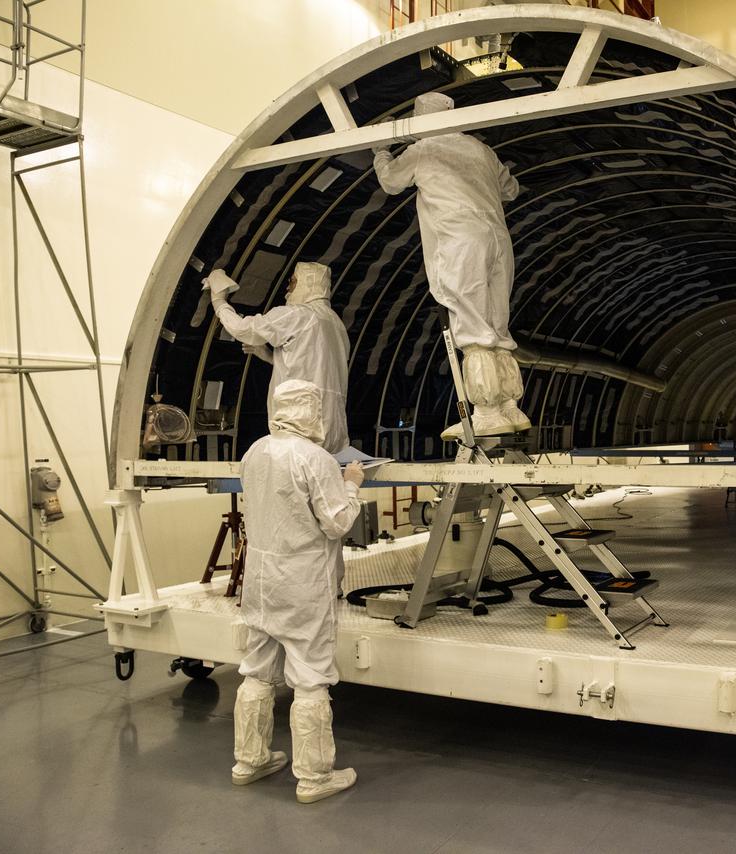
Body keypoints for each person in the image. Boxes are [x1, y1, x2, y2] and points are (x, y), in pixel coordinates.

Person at [231, 379, 366, 804]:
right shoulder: (315, 458)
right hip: (302, 582)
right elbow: (337, 523)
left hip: (260, 580)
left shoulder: (253, 452)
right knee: (310, 677)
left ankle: (249, 760)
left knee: (256, 669)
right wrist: (352, 483)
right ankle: (314, 776)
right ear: (311, 409)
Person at [372, 91, 530, 439]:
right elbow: (512, 189)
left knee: (472, 327)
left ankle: (487, 412)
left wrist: (380, 151)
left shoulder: (424, 149)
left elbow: (391, 181)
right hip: (498, 241)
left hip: (460, 239)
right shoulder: (480, 150)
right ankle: (510, 408)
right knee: (497, 326)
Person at [203, 261, 350, 454]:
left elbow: (244, 329)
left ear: (308, 283)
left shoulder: (298, 315)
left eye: (293, 281)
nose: (287, 287)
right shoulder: (336, 325)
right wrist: (270, 357)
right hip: (334, 432)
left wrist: (220, 302)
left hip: (301, 429)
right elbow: (315, 368)